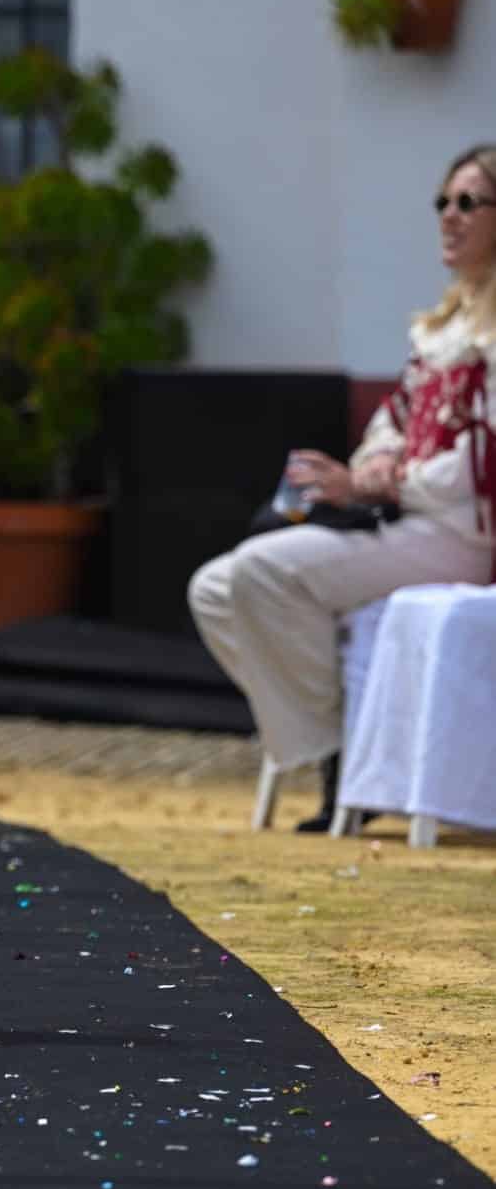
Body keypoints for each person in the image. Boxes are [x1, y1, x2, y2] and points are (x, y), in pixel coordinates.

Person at [189, 143, 496, 822]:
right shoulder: (442, 327)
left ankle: (340, 768)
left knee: (260, 574)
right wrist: (373, 464)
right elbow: (395, 420)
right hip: (406, 518)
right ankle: (342, 748)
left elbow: (476, 467)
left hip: (457, 532)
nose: (448, 217)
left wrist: (379, 485)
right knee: (211, 589)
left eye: (467, 203)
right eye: (441, 202)